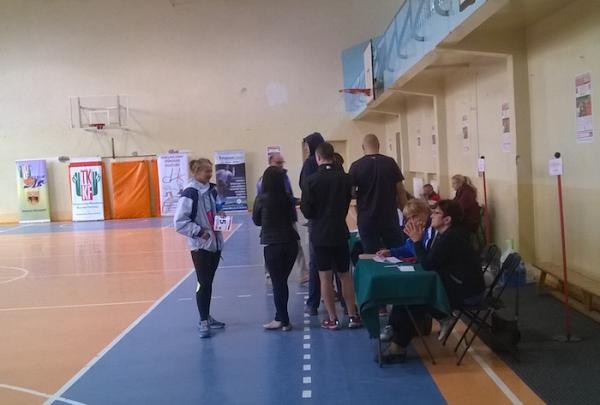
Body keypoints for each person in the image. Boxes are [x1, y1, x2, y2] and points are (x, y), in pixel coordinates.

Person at [381, 200, 485, 363]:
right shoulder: (445, 235)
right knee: (412, 292)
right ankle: (396, 331)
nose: (432, 216)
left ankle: (398, 347)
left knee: (416, 297)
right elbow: (430, 261)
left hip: (467, 291)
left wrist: (417, 241)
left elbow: (428, 264)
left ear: (447, 220)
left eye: (436, 213)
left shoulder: (451, 238)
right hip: (458, 283)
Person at [300, 142, 362, 330]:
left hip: (320, 234)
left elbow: (306, 211)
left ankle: (333, 319)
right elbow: (350, 199)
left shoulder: (310, 181)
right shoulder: (346, 178)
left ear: (317, 157)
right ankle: (352, 316)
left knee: (325, 277)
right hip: (340, 231)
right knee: (345, 276)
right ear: (333, 156)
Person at [174, 158, 226, 339]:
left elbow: (214, 210)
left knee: (208, 283)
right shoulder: (190, 193)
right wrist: (198, 232)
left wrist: (220, 215)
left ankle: (207, 316)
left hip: (214, 244)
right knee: (203, 283)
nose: (210, 174)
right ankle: (203, 320)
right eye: (206, 171)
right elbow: (179, 222)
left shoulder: (211, 190)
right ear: (196, 172)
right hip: (200, 247)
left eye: (211, 170)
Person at [253, 166, 299, 331]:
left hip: (273, 245)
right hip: (291, 243)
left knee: (278, 283)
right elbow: (293, 217)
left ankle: (283, 320)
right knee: (282, 282)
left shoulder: (261, 199)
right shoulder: (288, 198)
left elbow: (256, 221)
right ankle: (281, 317)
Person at [349, 134, 408, 254]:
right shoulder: (390, 163)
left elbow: (351, 193)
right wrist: (407, 214)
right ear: (379, 145)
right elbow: (400, 192)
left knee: (371, 255)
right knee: (396, 252)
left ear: (363, 147)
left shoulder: (356, 166)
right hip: (389, 218)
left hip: (367, 219)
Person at [256, 152, 309, 285]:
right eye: (278, 163)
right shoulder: (264, 180)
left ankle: (303, 273)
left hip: (288, 219)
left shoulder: (285, 177)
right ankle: (269, 273)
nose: (281, 165)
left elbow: (288, 196)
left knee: (297, 245)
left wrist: (297, 202)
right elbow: (261, 202)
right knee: (270, 247)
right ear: (270, 163)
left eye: (282, 163)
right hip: (270, 222)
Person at [299, 132, 325, 316]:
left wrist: (308, 212)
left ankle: (313, 303)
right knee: (339, 267)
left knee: (315, 262)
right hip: (334, 220)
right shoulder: (336, 163)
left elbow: (305, 188)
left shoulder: (309, 163)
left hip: (317, 220)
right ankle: (348, 307)